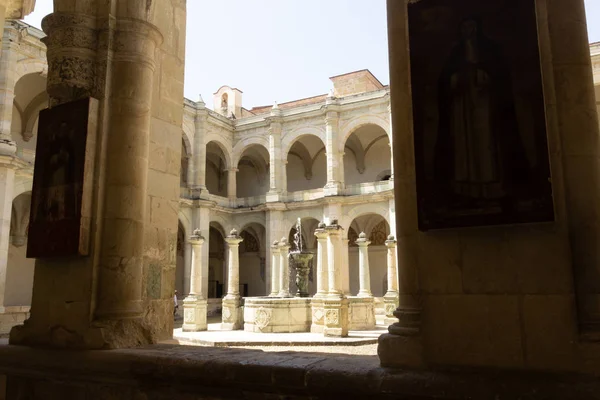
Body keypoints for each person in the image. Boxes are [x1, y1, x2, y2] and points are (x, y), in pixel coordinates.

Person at [434, 16, 529, 207]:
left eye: (471, 26)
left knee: (487, 145)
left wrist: (487, 78)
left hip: (486, 105)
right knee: (464, 147)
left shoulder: (490, 50)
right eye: (464, 27)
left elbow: (501, 75)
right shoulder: (456, 53)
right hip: (461, 108)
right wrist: (455, 80)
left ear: (478, 28)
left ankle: (494, 189)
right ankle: (464, 191)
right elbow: (444, 80)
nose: (468, 31)